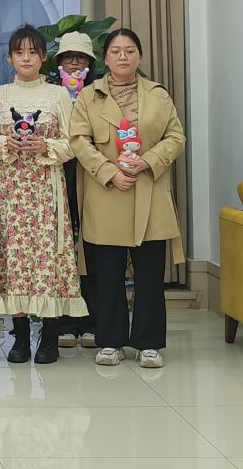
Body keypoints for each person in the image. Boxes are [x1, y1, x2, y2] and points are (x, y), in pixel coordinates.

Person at [71, 28, 185, 369]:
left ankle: (148, 343)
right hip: (107, 192)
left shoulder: (158, 95)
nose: (123, 56)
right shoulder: (88, 96)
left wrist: (148, 161)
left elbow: (175, 136)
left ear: (140, 56)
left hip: (149, 190)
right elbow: (79, 140)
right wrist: (109, 172)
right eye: (116, 51)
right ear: (105, 58)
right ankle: (111, 341)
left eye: (130, 50)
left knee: (150, 274)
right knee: (107, 274)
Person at [0, 25, 86, 365]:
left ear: (43, 57)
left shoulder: (58, 95)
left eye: (33, 52)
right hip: (9, 190)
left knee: (47, 257)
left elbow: (73, 143)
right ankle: (20, 337)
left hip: (46, 188)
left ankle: (49, 337)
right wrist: (4, 143)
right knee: (14, 259)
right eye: (19, 52)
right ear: (10, 58)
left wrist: (45, 145)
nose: (26, 58)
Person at [47, 31, 98, 350]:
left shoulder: (100, 93)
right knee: (62, 247)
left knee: (91, 248)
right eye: (68, 58)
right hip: (57, 176)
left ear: (91, 63)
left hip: (94, 177)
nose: (74, 63)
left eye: (80, 58)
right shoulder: (51, 94)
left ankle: (92, 321)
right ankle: (64, 322)